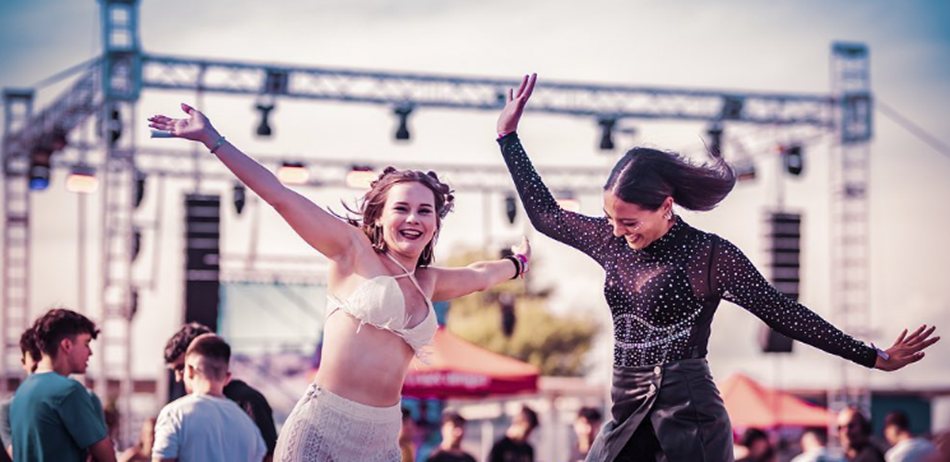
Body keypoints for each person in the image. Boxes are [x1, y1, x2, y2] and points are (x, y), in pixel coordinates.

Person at [495, 73, 941, 462]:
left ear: (665, 206)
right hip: (626, 403)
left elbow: (782, 312)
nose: (615, 231)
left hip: (687, 411)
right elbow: (547, 215)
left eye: (628, 221)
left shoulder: (709, 256)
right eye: (610, 218)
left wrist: (870, 355)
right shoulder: (611, 243)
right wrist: (508, 139)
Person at [149, 104, 531, 461]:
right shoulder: (353, 251)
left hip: (383, 438)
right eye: (401, 208)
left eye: (424, 211)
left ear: (434, 224)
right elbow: (280, 196)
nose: (413, 218)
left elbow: (481, 275)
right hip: (323, 427)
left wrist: (517, 262)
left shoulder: (427, 282)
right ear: (379, 217)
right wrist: (213, 140)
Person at [9, 309, 116, 462]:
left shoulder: (21, 392)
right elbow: (107, 458)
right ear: (67, 345)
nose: (90, 352)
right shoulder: (69, 391)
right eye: (86, 343)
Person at [163, 322, 278, 461]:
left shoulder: (247, 400)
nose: (178, 377)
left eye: (181, 368)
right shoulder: (184, 410)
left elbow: (269, 457)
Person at [1, 327, 42, 460]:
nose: (40, 363)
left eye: (44, 356)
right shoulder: (8, 407)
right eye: (35, 356)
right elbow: (18, 455)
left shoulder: (76, 397)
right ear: (23, 362)